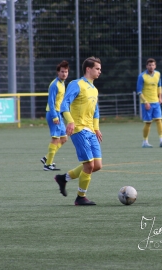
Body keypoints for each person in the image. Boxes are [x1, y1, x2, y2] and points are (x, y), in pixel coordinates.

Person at [54, 57, 103, 206]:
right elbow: (64, 105)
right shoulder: (77, 84)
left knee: (97, 165)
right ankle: (80, 197)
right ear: (88, 69)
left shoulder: (94, 89)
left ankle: (64, 178)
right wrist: (70, 121)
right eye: (97, 69)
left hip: (90, 130)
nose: (100, 71)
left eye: (100, 69)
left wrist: (96, 128)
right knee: (89, 165)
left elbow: (96, 111)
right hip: (79, 129)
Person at [41, 60, 69, 171]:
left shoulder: (62, 83)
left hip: (58, 114)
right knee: (55, 138)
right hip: (53, 114)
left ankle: (47, 158)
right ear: (58, 72)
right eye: (62, 71)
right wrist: (55, 116)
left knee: (64, 138)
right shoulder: (55, 84)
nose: (64, 74)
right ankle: (48, 165)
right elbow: (51, 102)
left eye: (66, 72)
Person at [137, 58, 162, 148]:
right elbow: (139, 91)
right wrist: (145, 102)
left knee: (159, 120)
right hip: (146, 103)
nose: (151, 67)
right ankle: (145, 142)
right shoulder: (142, 76)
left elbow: (159, 86)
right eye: (149, 65)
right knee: (148, 122)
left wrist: (160, 97)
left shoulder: (158, 74)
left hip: (156, 102)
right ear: (146, 66)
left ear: (155, 66)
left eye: (153, 65)